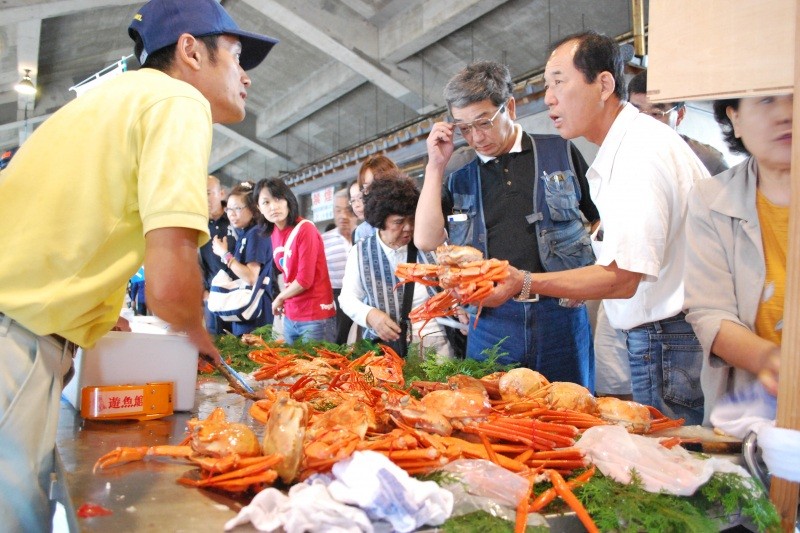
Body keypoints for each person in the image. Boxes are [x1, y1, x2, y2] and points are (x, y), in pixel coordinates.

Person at [0, 0, 277, 530]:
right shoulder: (178, 101)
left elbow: (80, 222)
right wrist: (201, 337)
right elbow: (170, 269)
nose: (245, 77)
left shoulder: (113, 100)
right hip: (13, 335)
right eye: (238, 57)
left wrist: (97, 314)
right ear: (192, 50)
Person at [483, 31, 710, 425]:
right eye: (545, 86)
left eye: (559, 82)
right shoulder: (625, 146)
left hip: (669, 340)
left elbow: (622, 278)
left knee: (675, 466)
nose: (549, 98)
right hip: (662, 337)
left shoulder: (639, 152)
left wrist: (525, 282)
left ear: (604, 84)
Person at [415, 60, 600, 389]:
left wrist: (586, 274)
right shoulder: (458, 173)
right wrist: (434, 167)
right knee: (490, 416)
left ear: (510, 107)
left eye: (483, 122)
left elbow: (599, 216)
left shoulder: (559, 151)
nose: (476, 137)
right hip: (490, 322)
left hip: (559, 315)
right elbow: (426, 240)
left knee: (571, 413)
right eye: (464, 128)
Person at [684, 95, 791, 423]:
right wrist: (774, 363)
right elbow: (710, 312)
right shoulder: (712, 198)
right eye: (767, 100)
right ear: (736, 117)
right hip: (755, 418)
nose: (786, 113)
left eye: (795, 98)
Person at [340, 173, 454, 358]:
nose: (408, 228)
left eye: (412, 219)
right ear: (380, 220)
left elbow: (455, 285)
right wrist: (370, 315)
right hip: (388, 351)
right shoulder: (361, 252)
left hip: (439, 346)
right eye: (399, 222)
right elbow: (347, 298)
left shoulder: (431, 243)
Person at [256, 178, 336, 344]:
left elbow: (304, 280)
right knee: (293, 369)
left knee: (317, 369)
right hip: (291, 316)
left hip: (315, 315)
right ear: (259, 208)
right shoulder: (274, 233)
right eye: (266, 202)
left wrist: (279, 298)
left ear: (288, 200)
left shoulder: (306, 229)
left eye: (278, 199)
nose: (273, 207)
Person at [628, 71, 729, 176]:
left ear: (680, 115)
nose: (644, 122)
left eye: (656, 113)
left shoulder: (707, 161)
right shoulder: (618, 149)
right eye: (635, 112)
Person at [211, 182, 274, 336]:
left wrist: (225, 255)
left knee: (253, 357)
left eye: (238, 208)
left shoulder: (256, 234)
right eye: (229, 209)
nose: (231, 213)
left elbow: (251, 277)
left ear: (253, 210)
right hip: (246, 309)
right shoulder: (245, 233)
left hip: (255, 312)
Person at [200, 175, 236, 335]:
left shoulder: (234, 218)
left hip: (239, 295)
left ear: (221, 193)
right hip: (213, 297)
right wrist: (203, 292)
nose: (205, 199)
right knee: (216, 348)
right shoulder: (198, 226)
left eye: (208, 193)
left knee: (243, 346)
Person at [322, 189, 357, 344]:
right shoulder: (323, 240)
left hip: (363, 298)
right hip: (334, 298)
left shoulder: (365, 236)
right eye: (338, 210)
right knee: (337, 343)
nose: (343, 216)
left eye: (348, 210)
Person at [353, 154, 399, 242]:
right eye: (367, 188)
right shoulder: (363, 232)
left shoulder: (413, 219)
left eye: (378, 184)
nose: (374, 192)